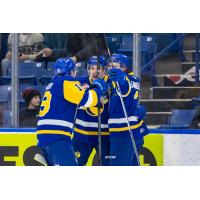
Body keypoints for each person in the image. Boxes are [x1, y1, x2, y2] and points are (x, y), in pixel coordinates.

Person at [36, 57, 108, 166]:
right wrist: (97, 88)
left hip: (44, 136)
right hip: (57, 136)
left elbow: (73, 105)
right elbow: (87, 99)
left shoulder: (52, 85)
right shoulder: (67, 82)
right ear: (71, 71)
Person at [108, 53, 149, 166]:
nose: (111, 69)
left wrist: (121, 81)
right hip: (134, 129)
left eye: (115, 66)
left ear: (124, 67)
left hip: (124, 132)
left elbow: (125, 87)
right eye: (110, 66)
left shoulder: (125, 79)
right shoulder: (134, 79)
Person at [72, 56, 110, 166]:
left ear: (104, 70)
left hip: (104, 136)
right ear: (88, 69)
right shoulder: (79, 82)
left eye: (98, 68)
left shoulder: (111, 84)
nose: (95, 71)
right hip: (82, 135)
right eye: (92, 68)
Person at [35, 33, 108, 63]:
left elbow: (94, 46)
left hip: (98, 59)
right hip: (79, 60)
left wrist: (76, 57)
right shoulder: (72, 34)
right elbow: (70, 50)